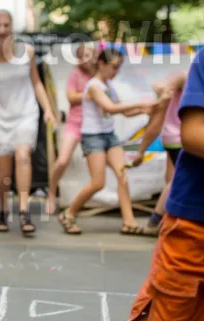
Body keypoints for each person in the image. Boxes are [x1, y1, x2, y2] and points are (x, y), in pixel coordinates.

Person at [78, 42, 204, 321]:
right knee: (167, 320)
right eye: (114, 66)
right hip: (200, 218)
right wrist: (141, 143)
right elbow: (193, 132)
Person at [0, 9, 56, 236]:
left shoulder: (26, 52)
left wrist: (48, 109)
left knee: (23, 156)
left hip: (25, 114)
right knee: (4, 173)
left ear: (12, 27)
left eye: (6, 25)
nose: (1, 30)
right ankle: (3, 209)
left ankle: (24, 211)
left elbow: (37, 83)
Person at [57, 49, 155, 235]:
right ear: (101, 64)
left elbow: (124, 111)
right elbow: (110, 107)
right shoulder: (93, 86)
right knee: (98, 183)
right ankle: (68, 213)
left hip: (109, 136)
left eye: (118, 68)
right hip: (93, 137)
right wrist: (141, 104)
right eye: (114, 67)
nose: (116, 72)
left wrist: (146, 110)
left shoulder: (109, 85)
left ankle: (129, 222)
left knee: (122, 176)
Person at [131, 71, 187, 236]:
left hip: (173, 139)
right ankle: (156, 220)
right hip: (180, 139)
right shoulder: (186, 78)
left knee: (171, 181)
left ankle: (164, 220)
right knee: (177, 181)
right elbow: (156, 118)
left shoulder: (182, 83)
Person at [46, 43, 96, 215]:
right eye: (81, 56)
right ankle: (51, 193)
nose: (84, 60)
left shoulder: (98, 76)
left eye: (87, 55)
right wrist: (90, 95)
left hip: (93, 126)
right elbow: (71, 96)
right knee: (63, 160)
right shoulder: (76, 74)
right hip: (75, 124)